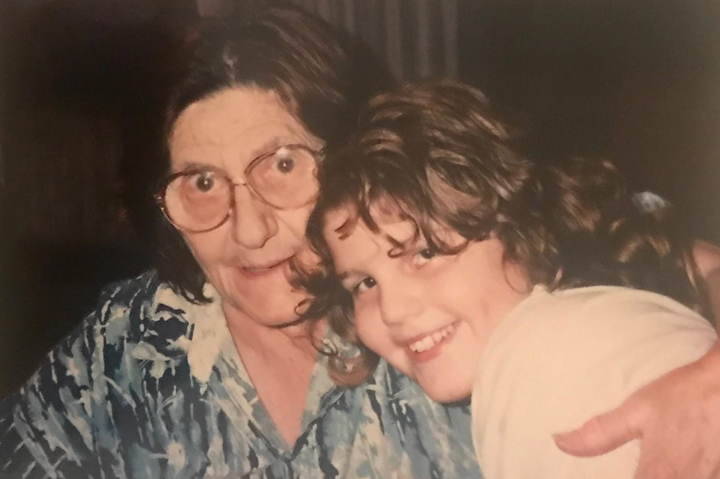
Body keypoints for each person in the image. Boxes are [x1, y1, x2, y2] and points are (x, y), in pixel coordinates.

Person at [0, 3, 719, 479]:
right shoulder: (132, 342)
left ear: (347, 153)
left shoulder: (469, 265)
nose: (247, 230)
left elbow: (656, 241)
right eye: (202, 182)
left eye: (282, 164)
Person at [299, 80, 717, 479]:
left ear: (520, 229)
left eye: (425, 253)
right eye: (364, 284)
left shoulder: (552, 358)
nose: (392, 310)